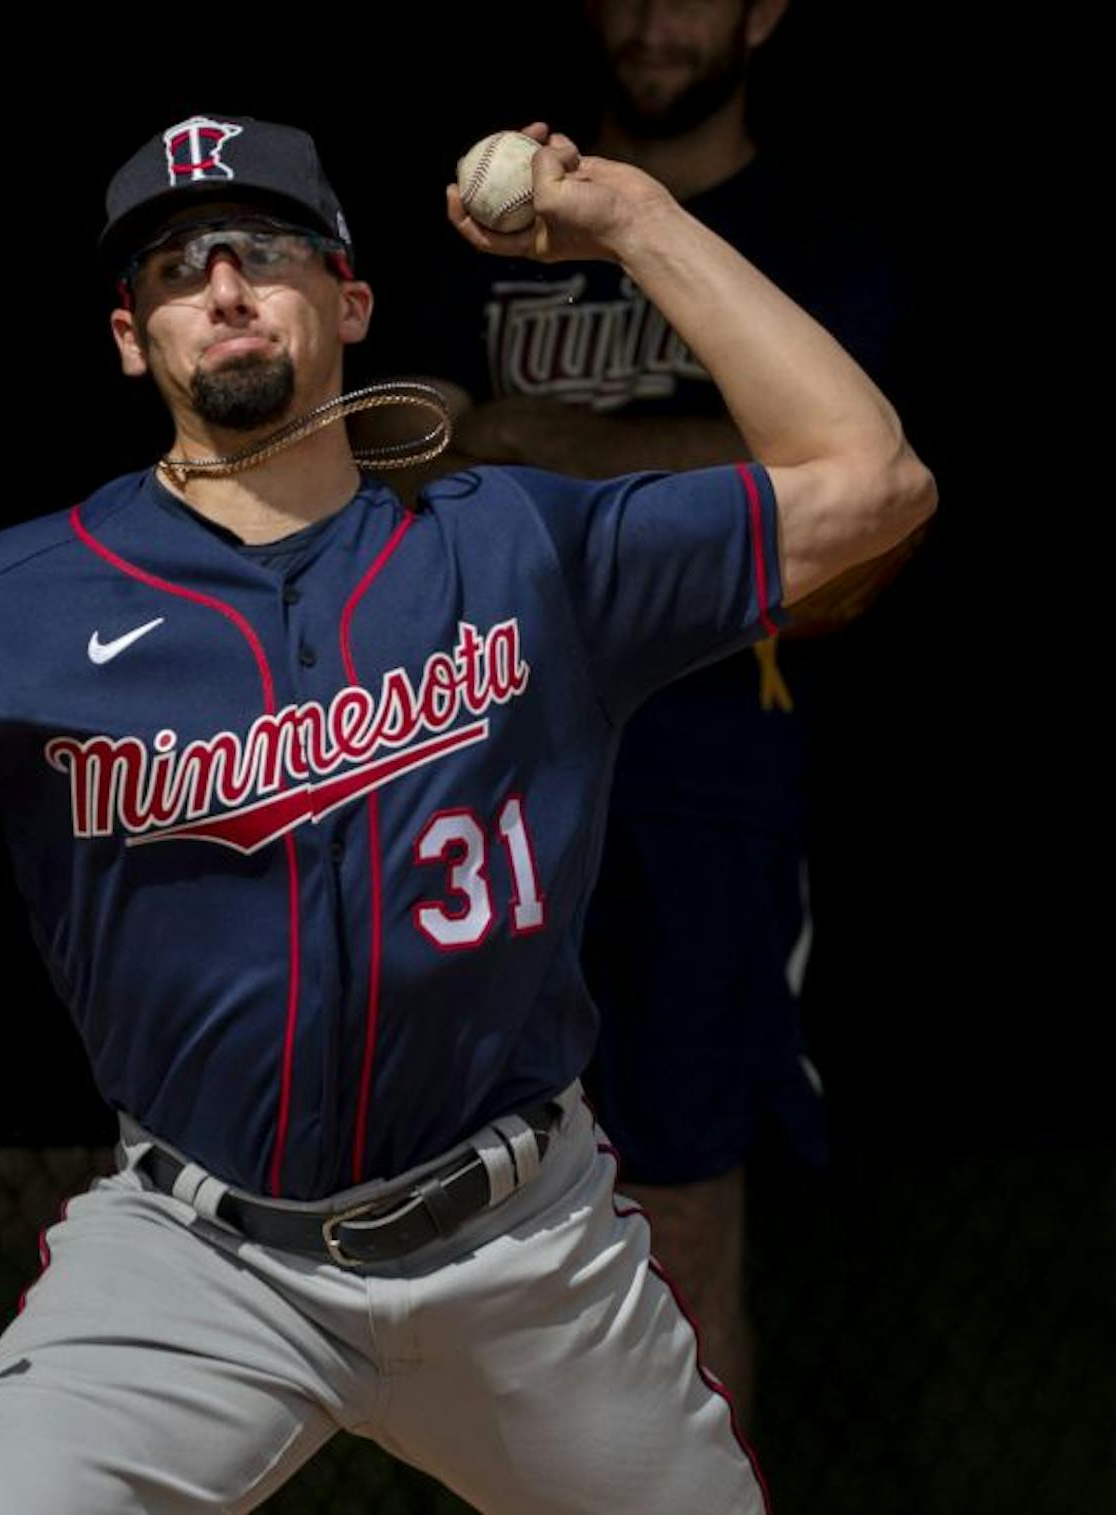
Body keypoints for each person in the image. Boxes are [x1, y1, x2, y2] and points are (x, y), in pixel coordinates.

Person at [0, 113, 931, 1512]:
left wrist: (634, 218)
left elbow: (869, 482)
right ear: (128, 337)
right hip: (195, 1258)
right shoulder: (0, 612)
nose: (219, 285)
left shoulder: (520, 545)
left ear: (351, 304)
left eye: (262, 250)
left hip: (523, 1246)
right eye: (171, 267)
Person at [397, 0, 909, 1409]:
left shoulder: (803, 238)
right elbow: (397, 450)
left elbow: (836, 484)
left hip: (701, 756)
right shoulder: (491, 231)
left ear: (765, 14)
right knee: (446, 1232)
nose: (652, 19)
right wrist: (655, 473)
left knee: (678, 1214)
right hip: (479, 759)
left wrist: (521, 437)